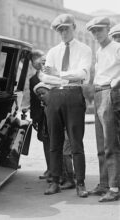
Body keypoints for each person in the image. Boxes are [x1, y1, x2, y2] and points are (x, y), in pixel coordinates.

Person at [39, 14, 92, 197]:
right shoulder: (53, 51)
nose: (63, 33)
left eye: (66, 29)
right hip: (54, 95)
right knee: (55, 141)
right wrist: (62, 74)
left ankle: (80, 183)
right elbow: (45, 77)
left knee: (76, 142)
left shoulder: (84, 49)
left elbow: (83, 75)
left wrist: (58, 73)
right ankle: (55, 181)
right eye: (60, 30)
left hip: (74, 94)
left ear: (74, 27)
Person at [86, 16, 120, 202]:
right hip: (99, 93)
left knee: (110, 143)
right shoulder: (99, 51)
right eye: (93, 31)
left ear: (108, 29)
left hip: (110, 92)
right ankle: (104, 184)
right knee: (100, 144)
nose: (96, 34)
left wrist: (117, 82)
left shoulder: (117, 47)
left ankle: (114, 188)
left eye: (99, 29)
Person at [29, 50, 51, 180]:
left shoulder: (51, 76)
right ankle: (49, 168)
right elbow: (33, 100)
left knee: (57, 141)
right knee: (45, 141)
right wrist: (34, 118)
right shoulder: (32, 79)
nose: (36, 62)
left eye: (39, 59)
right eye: (33, 60)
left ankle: (61, 171)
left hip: (53, 112)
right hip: (41, 116)